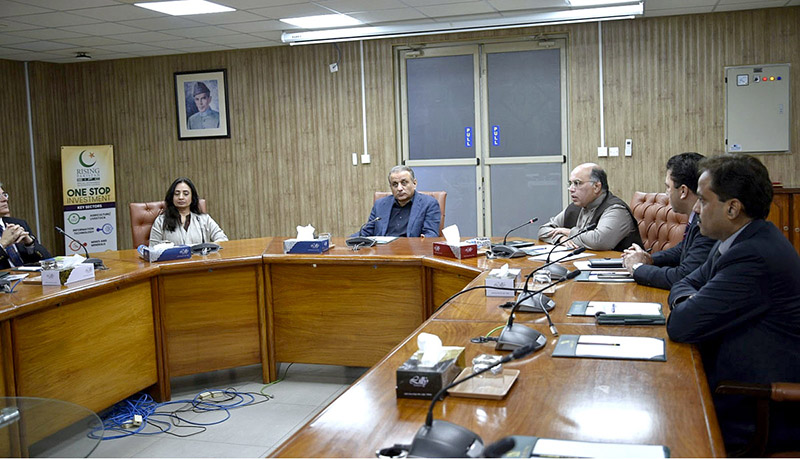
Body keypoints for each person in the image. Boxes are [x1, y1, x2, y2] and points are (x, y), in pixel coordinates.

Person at [667, 154, 800, 454]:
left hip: (754, 408)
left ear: (732, 208)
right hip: (729, 385)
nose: (696, 210)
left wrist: (689, 304)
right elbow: (684, 284)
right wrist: (691, 300)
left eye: (703, 200)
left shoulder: (754, 255)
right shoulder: (734, 241)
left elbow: (681, 325)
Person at [622, 152, 715, 289]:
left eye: (667, 187)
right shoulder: (695, 218)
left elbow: (682, 276)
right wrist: (649, 258)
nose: (666, 193)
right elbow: (682, 249)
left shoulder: (708, 225)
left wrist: (638, 268)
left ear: (683, 191)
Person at [537, 163, 641, 251]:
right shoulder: (577, 206)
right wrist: (561, 238)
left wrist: (569, 233)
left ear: (596, 187)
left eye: (577, 183)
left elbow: (599, 241)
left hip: (616, 270)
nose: (571, 189)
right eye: (570, 183)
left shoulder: (616, 209)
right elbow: (543, 230)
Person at [357, 165, 441, 238]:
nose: (399, 188)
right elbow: (366, 232)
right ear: (390, 187)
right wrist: (347, 241)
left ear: (414, 183)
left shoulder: (429, 204)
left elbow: (431, 234)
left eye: (404, 183)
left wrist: (423, 240)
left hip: (412, 253)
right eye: (395, 184)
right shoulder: (380, 205)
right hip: (382, 252)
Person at [149, 178, 228, 247]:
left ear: (192, 197)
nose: (181, 197)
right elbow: (152, 250)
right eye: (177, 194)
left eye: (185, 194)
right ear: (172, 197)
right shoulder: (161, 221)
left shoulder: (204, 219)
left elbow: (223, 239)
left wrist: (209, 249)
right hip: (172, 263)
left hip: (200, 262)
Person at [0, 182, 51, 269]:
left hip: (29, 278)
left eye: (4, 195)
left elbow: (48, 260)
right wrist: (2, 244)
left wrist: (30, 244)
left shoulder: (17, 224)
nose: (5, 199)